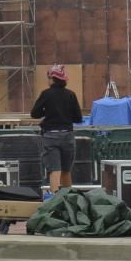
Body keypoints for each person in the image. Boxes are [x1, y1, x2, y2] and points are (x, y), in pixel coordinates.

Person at [31, 64, 82, 194]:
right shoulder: (71, 95)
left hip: (50, 136)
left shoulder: (46, 94)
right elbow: (78, 118)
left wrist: (47, 112)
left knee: (54, 170)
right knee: (66, 170)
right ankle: (69, 198)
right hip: (67, 135)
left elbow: (34, 113)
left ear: (52, 79)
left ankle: (55, 198)